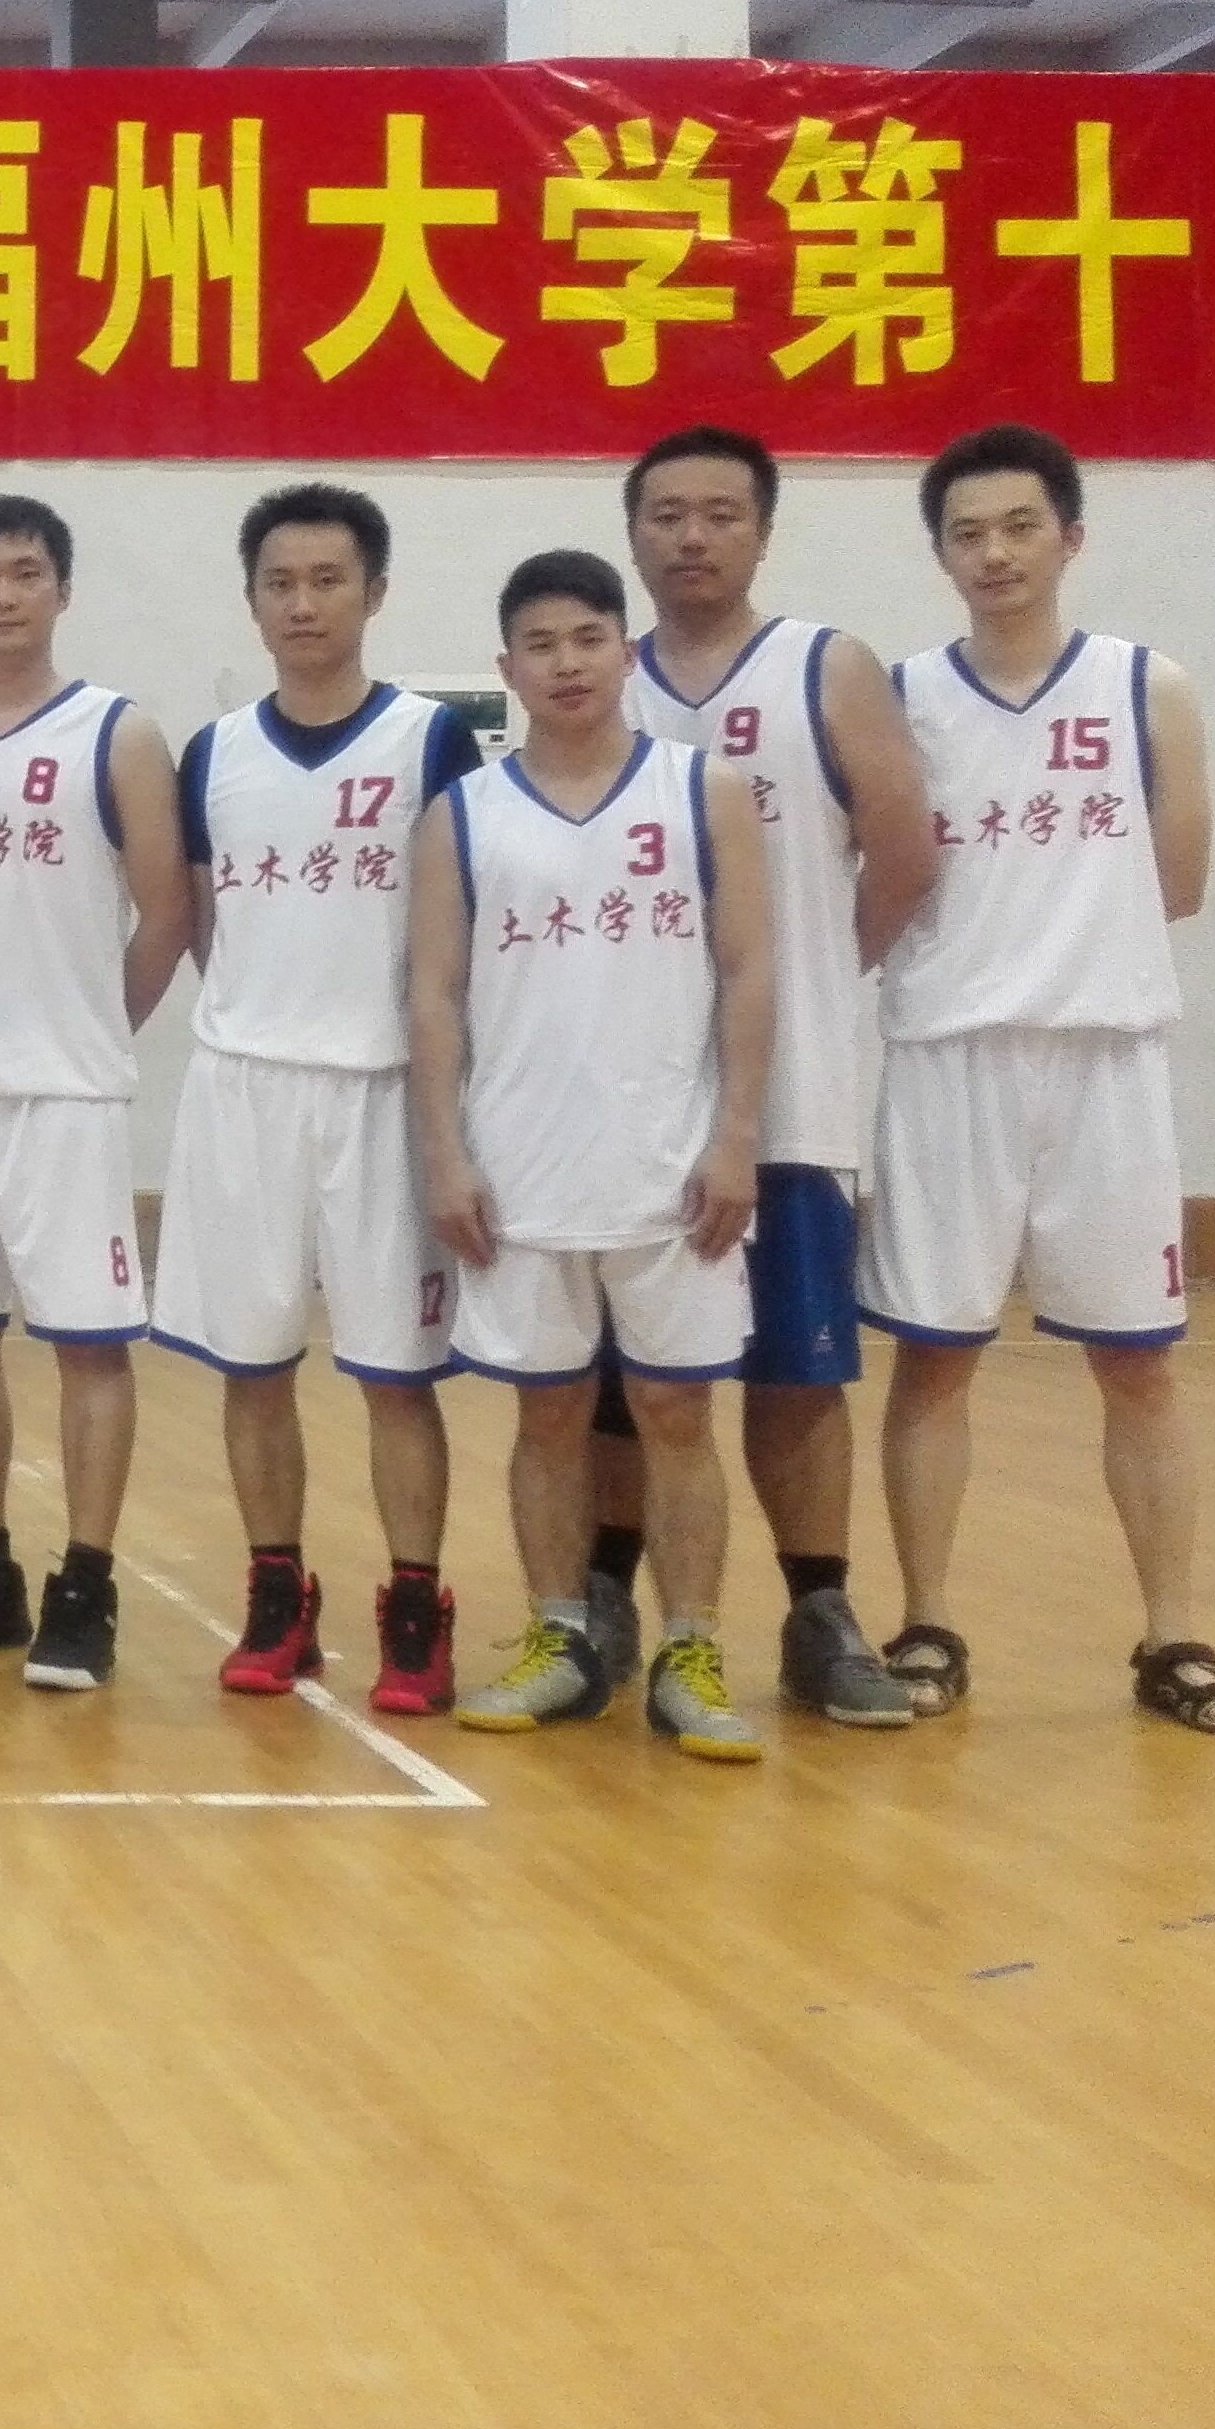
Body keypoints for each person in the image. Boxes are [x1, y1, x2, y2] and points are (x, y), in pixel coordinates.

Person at [861, 426, 1215, 1735]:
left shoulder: (1147, 688)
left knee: (1138, 1366)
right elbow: (877, 873)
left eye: (1020, 526)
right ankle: (926, 1621)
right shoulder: (900, 698)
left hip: (1104, 1056)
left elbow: (1179, 881)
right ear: (939, 555)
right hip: (948, 1060)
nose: (994, 553)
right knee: (933, 1360)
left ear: (1070, 538)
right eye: (967, 533)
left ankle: (1173, 1636)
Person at [587, 425, 938, 1728]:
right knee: (624, 1381)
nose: (691, 536)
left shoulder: (823, 667)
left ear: (762, 531)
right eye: (666, 515)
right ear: (633, 535)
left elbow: (905, 852)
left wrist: (816, 981)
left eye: (720, 513)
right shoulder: (595, 677)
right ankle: (605, 1597)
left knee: (796, 1373)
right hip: (622, 1106)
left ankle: (819, 1614)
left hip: (787, 1101)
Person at [414, 550, 771, 1762]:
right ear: (505, 668)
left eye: (585, 639)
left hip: (670, 1169)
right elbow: (432, 996)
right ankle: (559, 1636)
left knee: (675, 1407)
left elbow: (747, 971)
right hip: (519, 1172)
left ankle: (692, 1649)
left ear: (624, 652)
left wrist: (736, 1136)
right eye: (539, 645)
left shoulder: (701, 791)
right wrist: (443, 1154)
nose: (564, 664)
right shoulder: (462, 815)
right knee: (548, 1410)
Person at [147, 484, 482, 1714]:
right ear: (251, 601)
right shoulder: (212, 753)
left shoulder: (429, 742)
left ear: (373, 593)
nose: (301, 604)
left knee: (395, 1373)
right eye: (278, 584)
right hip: (244, 1089)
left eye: (326, 580)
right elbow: (204, 923)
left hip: (381, 1093)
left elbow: (453, 933)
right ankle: (276, 1595)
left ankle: (416, 1606)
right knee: (251, 1364)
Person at [0, 494, 191, 1689]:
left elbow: (166, 912)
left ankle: (86, 1586)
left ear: (61, 590)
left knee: (87, 1348)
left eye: (23, 573)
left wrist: (92, 1030)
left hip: (64, 1094)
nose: (1, 595)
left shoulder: (117, 734)